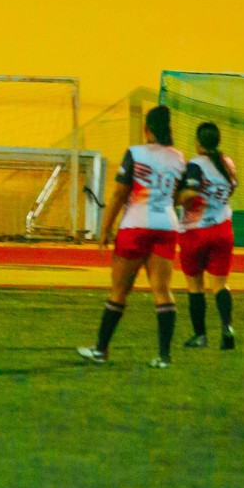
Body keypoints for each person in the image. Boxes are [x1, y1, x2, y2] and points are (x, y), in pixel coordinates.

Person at [78, 104, 187, 367]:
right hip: (166, 226)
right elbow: (178, 196)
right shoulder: (178, 157)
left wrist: (105, 228)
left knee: (119, 291)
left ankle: (101, 350)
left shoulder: (136, 153)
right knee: (162, 291)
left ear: (147, 129)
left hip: (136, 225)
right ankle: (164, 356)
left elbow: (119, 194)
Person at [177, 120, 238, 350]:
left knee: (195, 285)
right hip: (222, 228)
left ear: (198, 142)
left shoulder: (196, 164)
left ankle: (200, 335)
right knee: (220, 284)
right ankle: (227, 327)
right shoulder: (227, 163)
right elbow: (232, 188)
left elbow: (190, 193)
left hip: (196, 230)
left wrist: (173, 200)